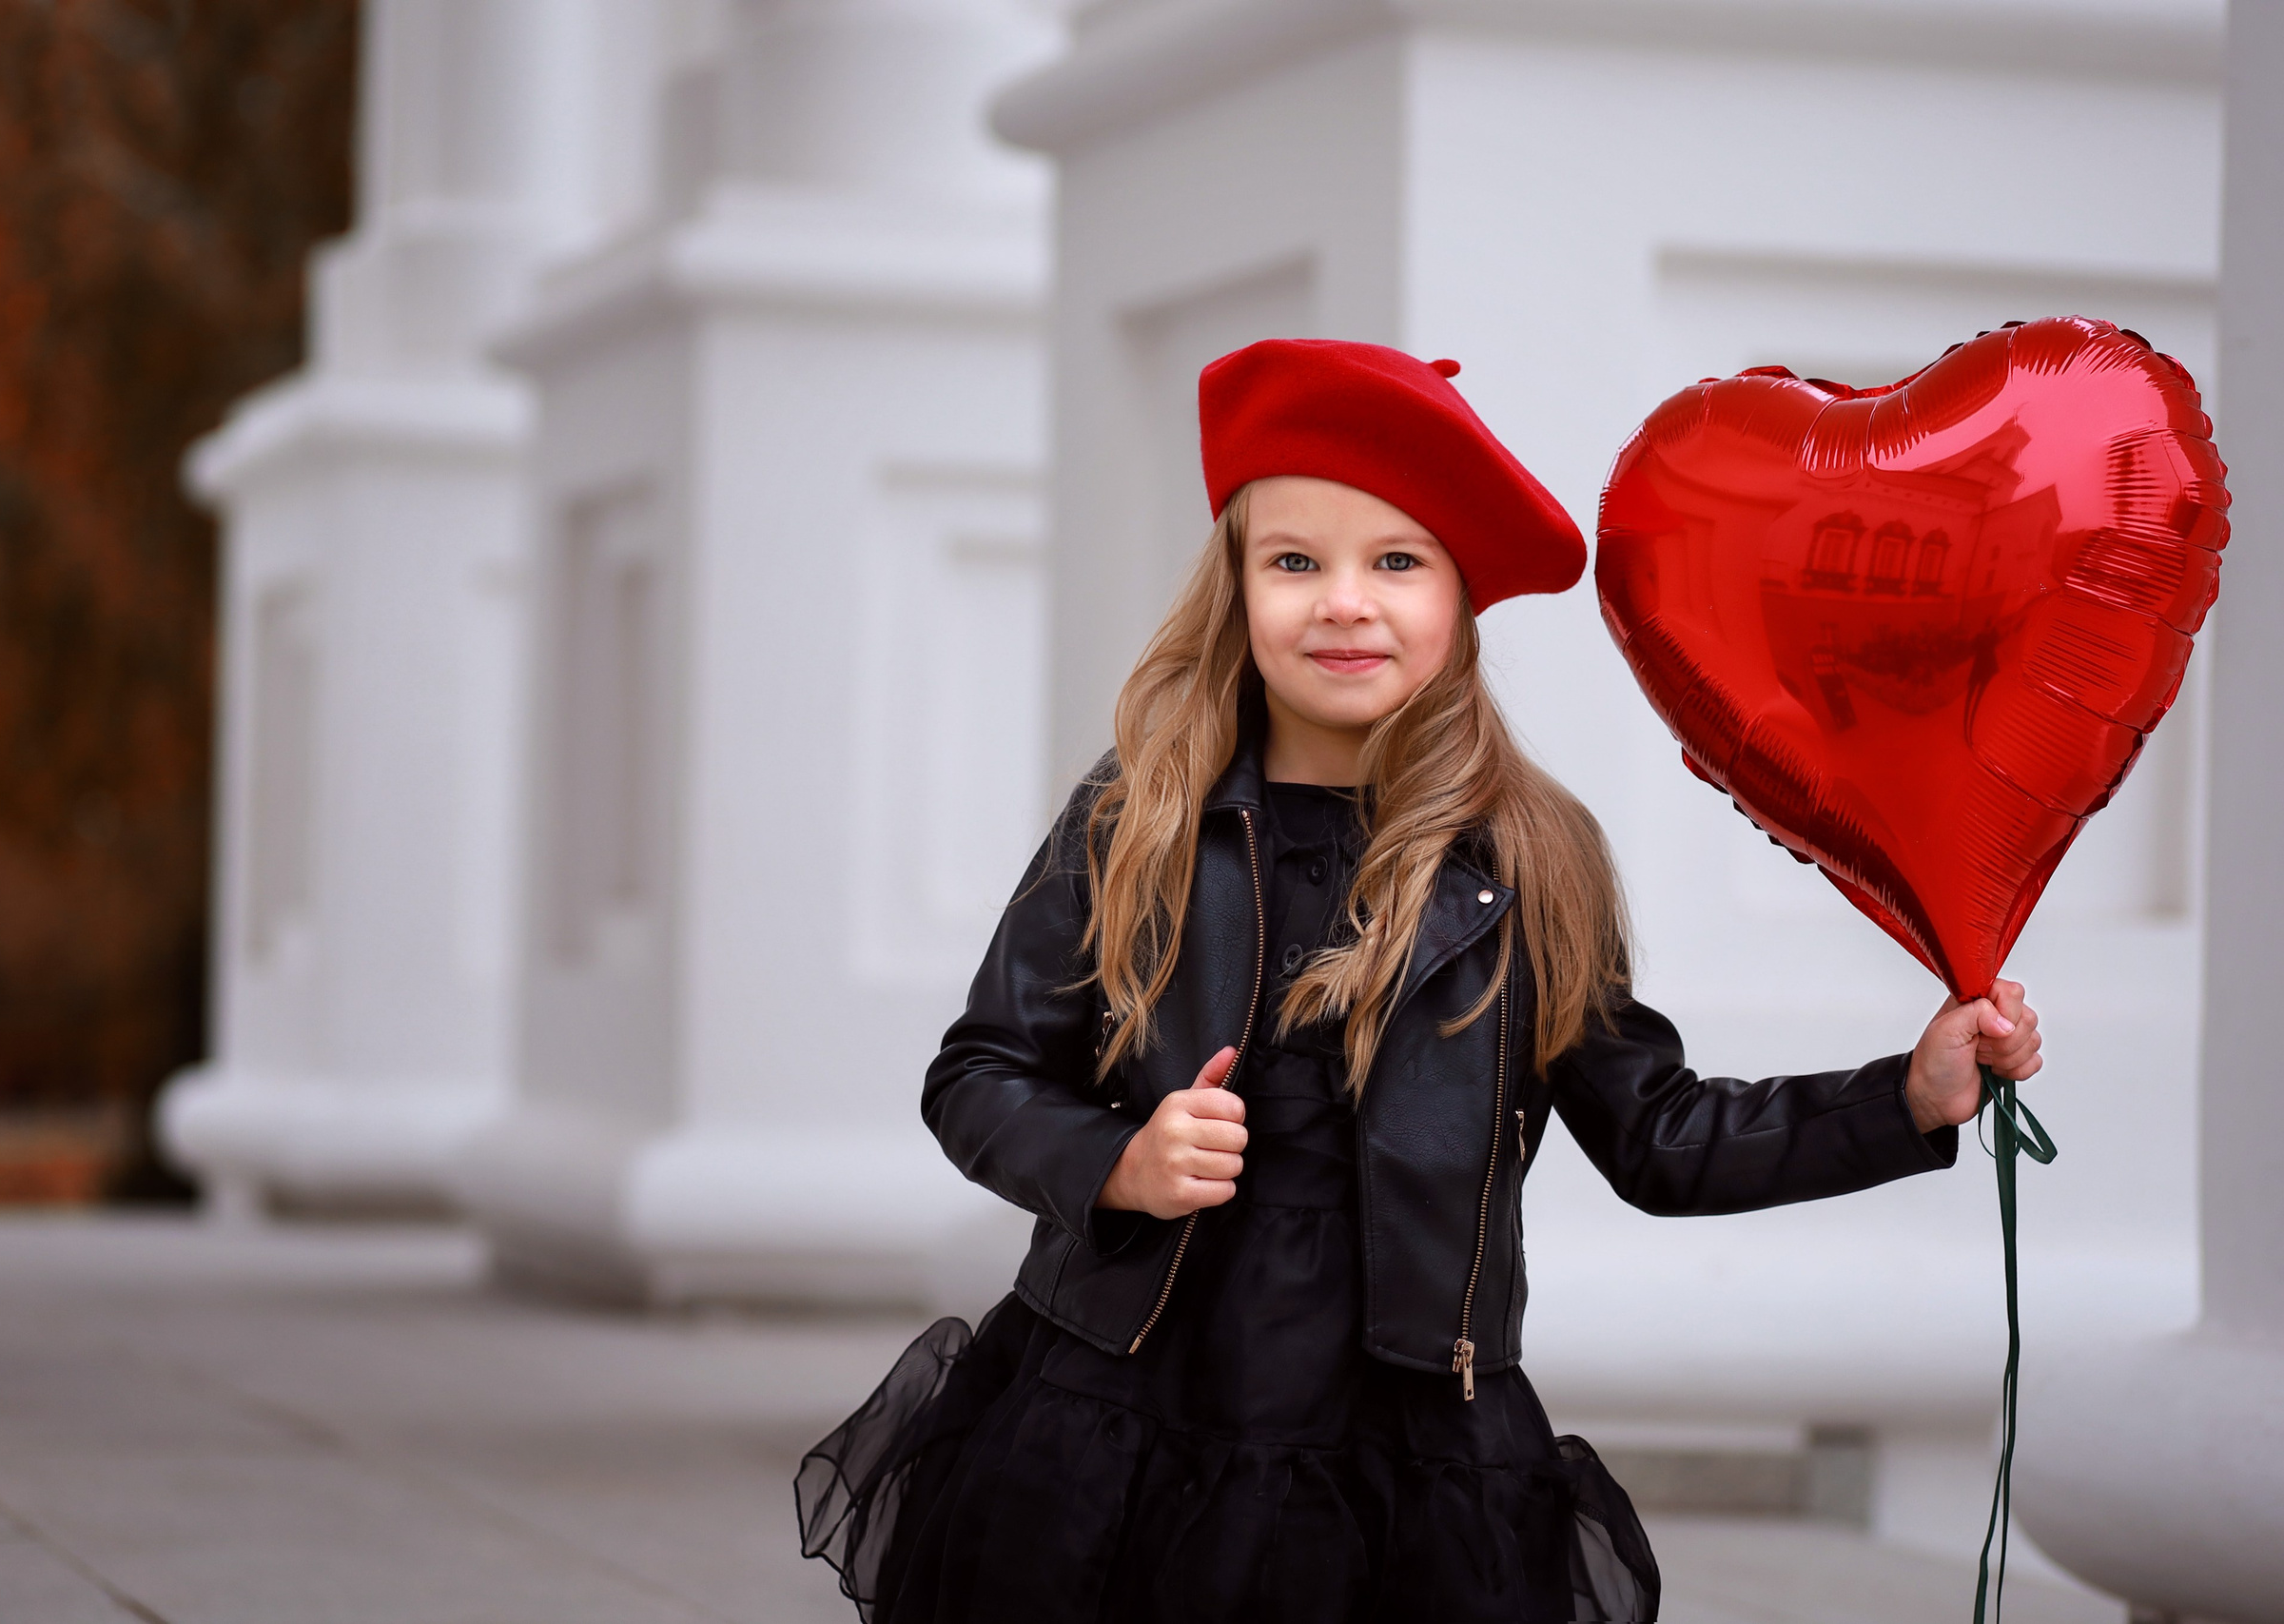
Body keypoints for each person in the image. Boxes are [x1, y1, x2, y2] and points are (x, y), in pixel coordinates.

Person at [794, 339, 2044, 1624]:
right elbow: (980, 1074)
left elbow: (1661, 1137)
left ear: (1460, 595)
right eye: (1295, 562)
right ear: (1235, 587)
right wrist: (1117, 1164)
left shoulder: (1532, 859)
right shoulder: (1137, 818)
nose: (1345, 603)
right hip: (1122, 1416)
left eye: (1397, 561)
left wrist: (1904, 1098)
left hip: (1407, 1453)